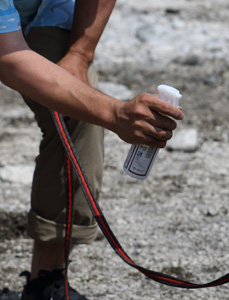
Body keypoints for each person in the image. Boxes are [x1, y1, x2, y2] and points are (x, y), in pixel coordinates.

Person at [0, 0, 184, 299]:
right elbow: (7, 55)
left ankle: (46, 282)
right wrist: (115, 113)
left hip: (46, 7)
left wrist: (79, 54)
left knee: (79, 110)